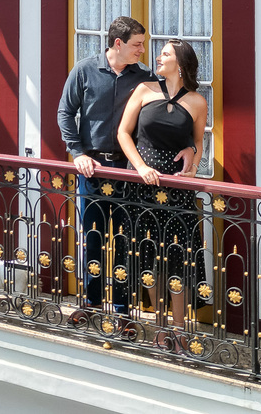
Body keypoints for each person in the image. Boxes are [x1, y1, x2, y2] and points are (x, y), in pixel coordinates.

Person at [58, 16, 195, 312]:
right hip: (92, 168)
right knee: (92, 238)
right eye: (137, 44)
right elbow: (65, 113)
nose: (143, 50)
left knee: (124, 241)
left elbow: (172, 109)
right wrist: (77, 152)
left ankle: (122, 309)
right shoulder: (84, 70)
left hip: (130, 170)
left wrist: (191, 145)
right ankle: (92, 302)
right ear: (118, 43)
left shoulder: (145, 76)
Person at [117, 38, 208, 329]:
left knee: (178, 259)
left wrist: (193, 160)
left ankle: (178, 330)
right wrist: (140, 167)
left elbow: (197, 141)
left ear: (179, 64)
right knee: (147, 256)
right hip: (141, 185)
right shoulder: (144, 90)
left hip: (176, 189)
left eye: (165, 54)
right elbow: (123, 133)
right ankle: (158, 328)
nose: (158, 57)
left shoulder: (197, 101)